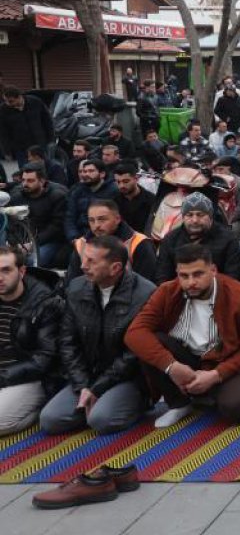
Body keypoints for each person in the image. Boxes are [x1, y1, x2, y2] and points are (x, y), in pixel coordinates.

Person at [126, 244, 240, 427]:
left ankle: (206, 393)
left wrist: (215, 375)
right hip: (182, 357)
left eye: (198, 274)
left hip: (221, 362)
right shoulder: (167, 291)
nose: (191, 282)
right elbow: (134, 333)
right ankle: (178, 403)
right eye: (184, 276)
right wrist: (171, 367)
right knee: (150, 341)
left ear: (213, 270)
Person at [41, 236, 154, 434]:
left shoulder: (145, 294)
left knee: (101, 420)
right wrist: (83, 385)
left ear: (115, 268)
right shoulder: (76, 288)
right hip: (88, 375)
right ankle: (94, 405)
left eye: (92, 261)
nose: (83, 266)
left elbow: (133, 354)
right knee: (50, 420)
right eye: (84, 258)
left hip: (127, 377)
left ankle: (134, 403)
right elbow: (67, 342)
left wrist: (97, 389)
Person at [0, 247, 62, 435]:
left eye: (6, 270)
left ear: (22, 271)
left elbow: (45, 359)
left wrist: (3, 377)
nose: (0, 277)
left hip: (29, 377)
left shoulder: (45, 302)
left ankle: (38, 408)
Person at [155, 193, 240, 282]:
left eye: (200, 215)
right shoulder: (170, 240)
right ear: (183, 217)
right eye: (189, 215)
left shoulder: (228, 240)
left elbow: (233, 278)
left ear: (210, 217)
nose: (195, 220)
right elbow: (162, 277)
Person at [66, 199, 157, 283]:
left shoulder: (139, 243)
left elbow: (146, 286)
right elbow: (72, 282)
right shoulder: (81, 244)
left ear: (117, 219)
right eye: (91, 220)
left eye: (102, 219)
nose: (96, 225)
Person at [12, 163, 69, 268]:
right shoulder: (17, 195)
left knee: (31, 261)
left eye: (30, 181)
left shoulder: (58, 195)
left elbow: (56, 227)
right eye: (23, 180)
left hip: (50, 240)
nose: (25, 184)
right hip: (23, 238)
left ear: (42, 181)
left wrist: (33, 243)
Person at [64, 158, 117, 245]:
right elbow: (70, 216)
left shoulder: (113, 191)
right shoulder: (78, 190)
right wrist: (73, 237)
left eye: (91, 171)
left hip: (101, 236)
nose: (86, 174)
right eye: (84, 171)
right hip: (78, 237)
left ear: (102, 174)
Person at [0, 87, 53, 162]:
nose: (8, 103)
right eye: (5, 101)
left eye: (11, 101)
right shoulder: (3, 110)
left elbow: (47, 121)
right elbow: (3, 133)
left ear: (19, 97)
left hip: (40, 145)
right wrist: (7, 152)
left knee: (44, 170)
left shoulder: (35, 102)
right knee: (26, 171)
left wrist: (51, 139)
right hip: (21, 149)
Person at [112, 161, 155, 236]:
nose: (121, 185)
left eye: (126, 181)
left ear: (136, 178)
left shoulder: (151, 200)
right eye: (118, 182)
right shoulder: (113, 200)